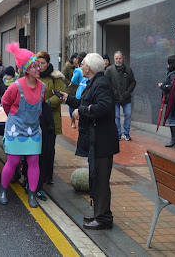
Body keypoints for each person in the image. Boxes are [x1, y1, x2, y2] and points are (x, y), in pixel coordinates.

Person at [61, 53, 118, 230]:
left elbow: (103, 106)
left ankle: (103, 218)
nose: (80, 66)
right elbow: (85, 102)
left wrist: (82, 111)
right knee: (95, 177)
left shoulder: (101, 83)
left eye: (83, 64)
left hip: (102, 140)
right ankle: (99, 213)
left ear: (89, 68)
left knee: (100, 179)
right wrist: (69, 100)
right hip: (96, 140)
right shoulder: (95, 82)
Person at [0, 42, 43, 208]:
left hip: (34, 131)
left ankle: (32, 194)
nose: (38, 69)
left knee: (33, 162)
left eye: (38, 65)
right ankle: (3, 190)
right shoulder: (16, 87)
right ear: (25, 69)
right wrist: (14, 120)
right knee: (13, 161)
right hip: (16, 129)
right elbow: (5, 103)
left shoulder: (43, 87)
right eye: (34, 66)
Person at [36, 51, 65, 189]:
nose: (40, 66)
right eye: (38, 63)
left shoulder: (55, 77)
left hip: (50, 119)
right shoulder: (33, 75)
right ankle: (36, 173)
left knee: (49, 148)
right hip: (35, 118)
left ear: (48, 63)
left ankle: (48, 174)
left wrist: (46, 104)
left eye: (43, 63)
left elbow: (60, 95)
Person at [104, 51, 136, 141]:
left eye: (120, 58)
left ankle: (126, 133)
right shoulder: (109, 70)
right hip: (114, 98)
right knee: (116, 116)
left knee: (128, 115)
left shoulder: (128, 70)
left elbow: (133, 81)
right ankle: (118, 133)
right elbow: (106, 82)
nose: (118, 60)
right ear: (114, 59)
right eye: (116, 58)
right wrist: (112, 91)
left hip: (126, 98)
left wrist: (128, 91)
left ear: (123, 59)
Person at [159, 54, 175, 147]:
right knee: (173, 118)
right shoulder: (174, 72)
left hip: (172, 100)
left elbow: (172, 87)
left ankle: (174, 139)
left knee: (172, 119)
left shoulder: (173, 74)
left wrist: (162, 86)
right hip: (172, 100)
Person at [70, 52, 89, 129]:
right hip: (89, 90)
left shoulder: (78, 70)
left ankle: (74, 122)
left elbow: (73, 80)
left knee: (76, 106)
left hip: (80, 90)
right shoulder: (90, 68)